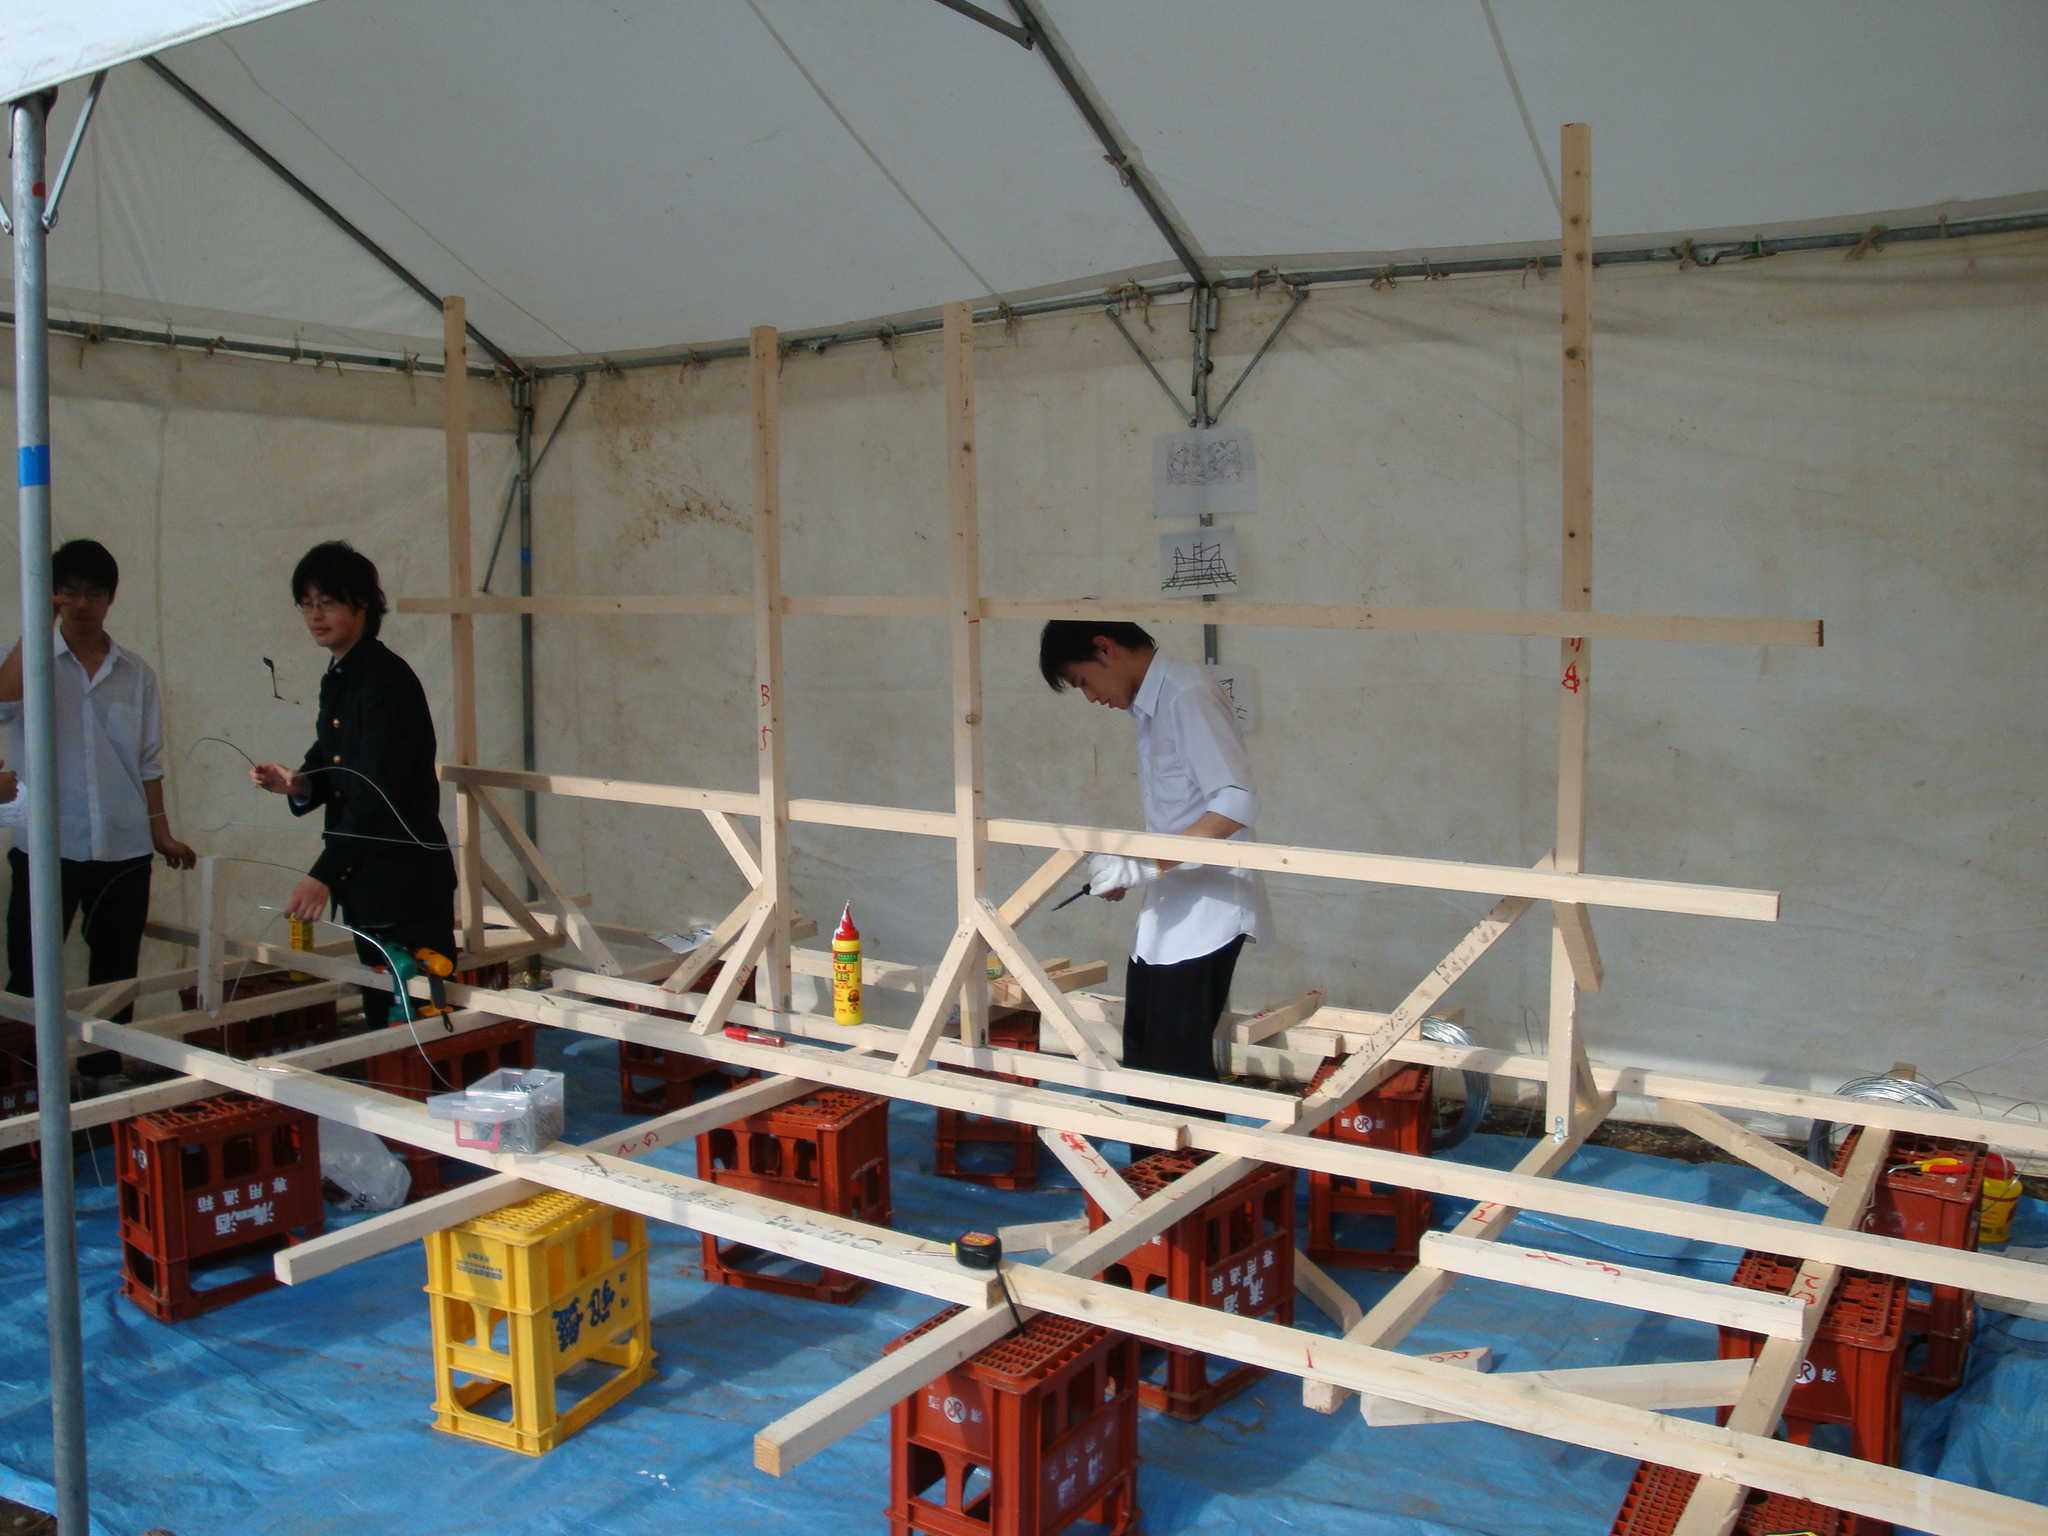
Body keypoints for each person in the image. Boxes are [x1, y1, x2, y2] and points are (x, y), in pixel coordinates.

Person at [1038, 620, 1267, 1121]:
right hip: (1170, 909)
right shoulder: (1152, 706)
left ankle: (1190, 1170)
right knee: (1145, 1060)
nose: (1091, 697)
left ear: (1105, 648)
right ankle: (1155, 1166)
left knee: (1175, 1073)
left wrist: (1144, 863)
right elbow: (1180, 813)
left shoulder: (1187, 693)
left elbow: (1235, 802)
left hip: (1208, 913)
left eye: (1083, 681)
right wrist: (1133, 868)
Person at [0, 539, 198, 1086]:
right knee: (29, 971)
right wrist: (38, 623)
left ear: (111, 597)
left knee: (115, 972)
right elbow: (2, 701)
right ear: (52, 596)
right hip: (46, 844)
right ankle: (26, 1081)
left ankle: (103, 1074)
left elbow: (148, 761)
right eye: (69, 592)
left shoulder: (136, 673)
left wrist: (161, 833)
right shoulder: (30, 660)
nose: (81, 604)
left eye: (93, 593)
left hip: (123, 843)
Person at [250, 542, 455, 1026]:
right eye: (307, 604)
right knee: (383, 1009)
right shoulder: (343, 675)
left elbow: (376, 791)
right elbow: (335, 757)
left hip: (403, 879)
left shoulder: (384, 681)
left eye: (327, 603)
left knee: (418, 1015)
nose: (315, 616)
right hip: (367, 880)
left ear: (362, 604)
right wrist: (301, 783)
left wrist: (323, 874)